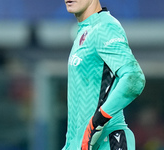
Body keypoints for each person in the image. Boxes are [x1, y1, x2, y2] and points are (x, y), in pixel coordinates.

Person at [62, 0, 146, 150]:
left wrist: (97, 122)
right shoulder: (86, 29)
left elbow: (134, 78)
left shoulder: (105, 27)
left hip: (108, 142)